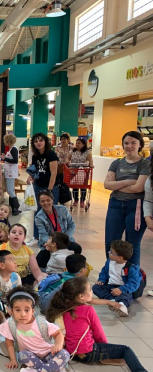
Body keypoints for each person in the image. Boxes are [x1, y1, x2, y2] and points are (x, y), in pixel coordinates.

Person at [46, 277, 153, 372]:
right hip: (89, 353)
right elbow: (98, 333)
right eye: (89, 289)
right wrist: (105, 348)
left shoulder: (62, 309)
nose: (92, 291)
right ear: (81, 296)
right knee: (126, 350)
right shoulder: (88, 310)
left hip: (72, 353)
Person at [0, 286, 69, 372]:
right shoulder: (10, 324)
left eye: (27, 310)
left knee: (65, 354)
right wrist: (13, 360)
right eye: (18, 310)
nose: (22, 314)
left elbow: (58, 334)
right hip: (31, 356)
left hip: (49, 354)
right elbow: (9, 342)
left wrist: (58, 345)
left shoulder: (41, 322)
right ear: (11, 311)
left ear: (33, 311)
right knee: (22, 356)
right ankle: (54, 370)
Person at [104, 131, 150, 266]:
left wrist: (116, 185)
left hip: (135, 207)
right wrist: (129, 182)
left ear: (140, 145)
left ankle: (132, 279)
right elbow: (107, 184)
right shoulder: (116, 163)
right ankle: (111, 274)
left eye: (133, 143)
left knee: (132, 245)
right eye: (126, 143)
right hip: (115, 205)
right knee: (110, 242)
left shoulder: (144, 164)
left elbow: (138, 188)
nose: (129, 146)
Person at [93, 240, 143, 317]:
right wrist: (101, 280)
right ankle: (112, 300)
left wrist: (121, 289)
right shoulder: (109, 262)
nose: (109, 253)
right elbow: (104, 271)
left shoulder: (131, 268)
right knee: (96, 288)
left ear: (119, 258)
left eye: (111, 252)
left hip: (124, 288)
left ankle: (122, 305)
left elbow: (134, 283)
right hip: (110, 286)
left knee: (126, 296)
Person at [34, 189, 81, 268]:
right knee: (40, 262)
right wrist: (51, 244)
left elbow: (72, 225)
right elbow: (43, 234)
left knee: (77, 248)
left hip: (65, 241)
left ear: (52, 200)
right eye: (42, 201)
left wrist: (64, 239)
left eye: (48, 200)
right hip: (50, 244)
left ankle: (70, 268)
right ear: (39, 203)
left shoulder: (63, 209)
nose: (46, 203)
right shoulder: (38, 217)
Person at [27, 132, 59, 243]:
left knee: (51, 213)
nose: (38, 143)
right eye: (36, 141)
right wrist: (30, 176)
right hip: (38, 186)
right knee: (37, 212)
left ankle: (52, 239)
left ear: (45, 141)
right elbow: (35, 170)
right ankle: (36, 237)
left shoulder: (51, 154)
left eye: (40, 140)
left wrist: (49, 190)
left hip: (50, 187)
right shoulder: (36, 155)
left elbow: (53, 173)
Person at [69, 138, 93, 207]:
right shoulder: (72, 151)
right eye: (76, 143)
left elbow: (90, 159)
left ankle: (82, 201)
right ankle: (75, 200)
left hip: (83, 172)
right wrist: (67, 162)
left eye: (79, 143)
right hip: (74, 171)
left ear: (83, 144)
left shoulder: (87, 152)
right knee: (74, 186)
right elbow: (68, 158)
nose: (77, 144)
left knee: (83, 187)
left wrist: (91, 165)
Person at [3, 133, 21, 215]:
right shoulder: (11, 149)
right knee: (11, 190)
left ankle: (16, 207)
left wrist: (5, 158)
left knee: (10, 190)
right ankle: (12, 207)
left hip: (11, 173)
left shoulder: (14, 149)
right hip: (9, 172)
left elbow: (15, 160)